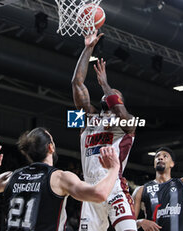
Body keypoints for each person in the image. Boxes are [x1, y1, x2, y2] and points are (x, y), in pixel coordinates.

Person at [0, 127, 120, 231]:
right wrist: (114, 168)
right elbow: (99, 194)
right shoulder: (59, 177)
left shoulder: (10, 177)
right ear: (50, 147)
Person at [71, 30, 137, 231]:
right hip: (89, 189)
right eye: (109, 94)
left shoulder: (128, 125)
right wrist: (88, 48)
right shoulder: (88, 119)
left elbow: (117, 108)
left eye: (115, 96)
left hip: (114, 185)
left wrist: (106, 85)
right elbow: (77, 83)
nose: (110, 96)